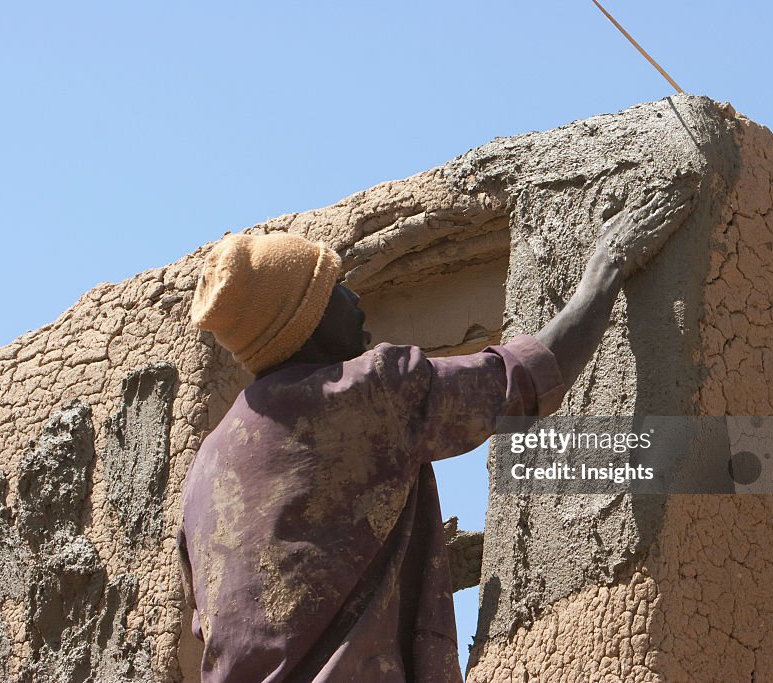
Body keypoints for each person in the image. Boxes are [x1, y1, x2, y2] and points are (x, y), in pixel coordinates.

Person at [177, 181, 694, 683]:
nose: (355, 298)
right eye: (333, 287)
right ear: (303, 321)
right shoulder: (362, 395)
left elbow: (235, 619)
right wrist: (606, 270)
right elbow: (522, 378)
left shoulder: (205, 470)